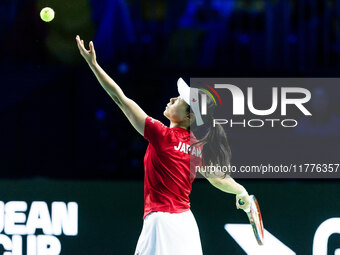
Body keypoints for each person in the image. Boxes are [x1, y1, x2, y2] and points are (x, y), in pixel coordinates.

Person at [75, 35, 251, 255]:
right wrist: (241, 191)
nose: (171, 99)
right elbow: (217, 177)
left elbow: (120, 98)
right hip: (186, 225)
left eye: (177, 101)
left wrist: (93, 65)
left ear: (188, 118)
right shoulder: (197, 146)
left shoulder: (161, 134)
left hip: (161, 223)